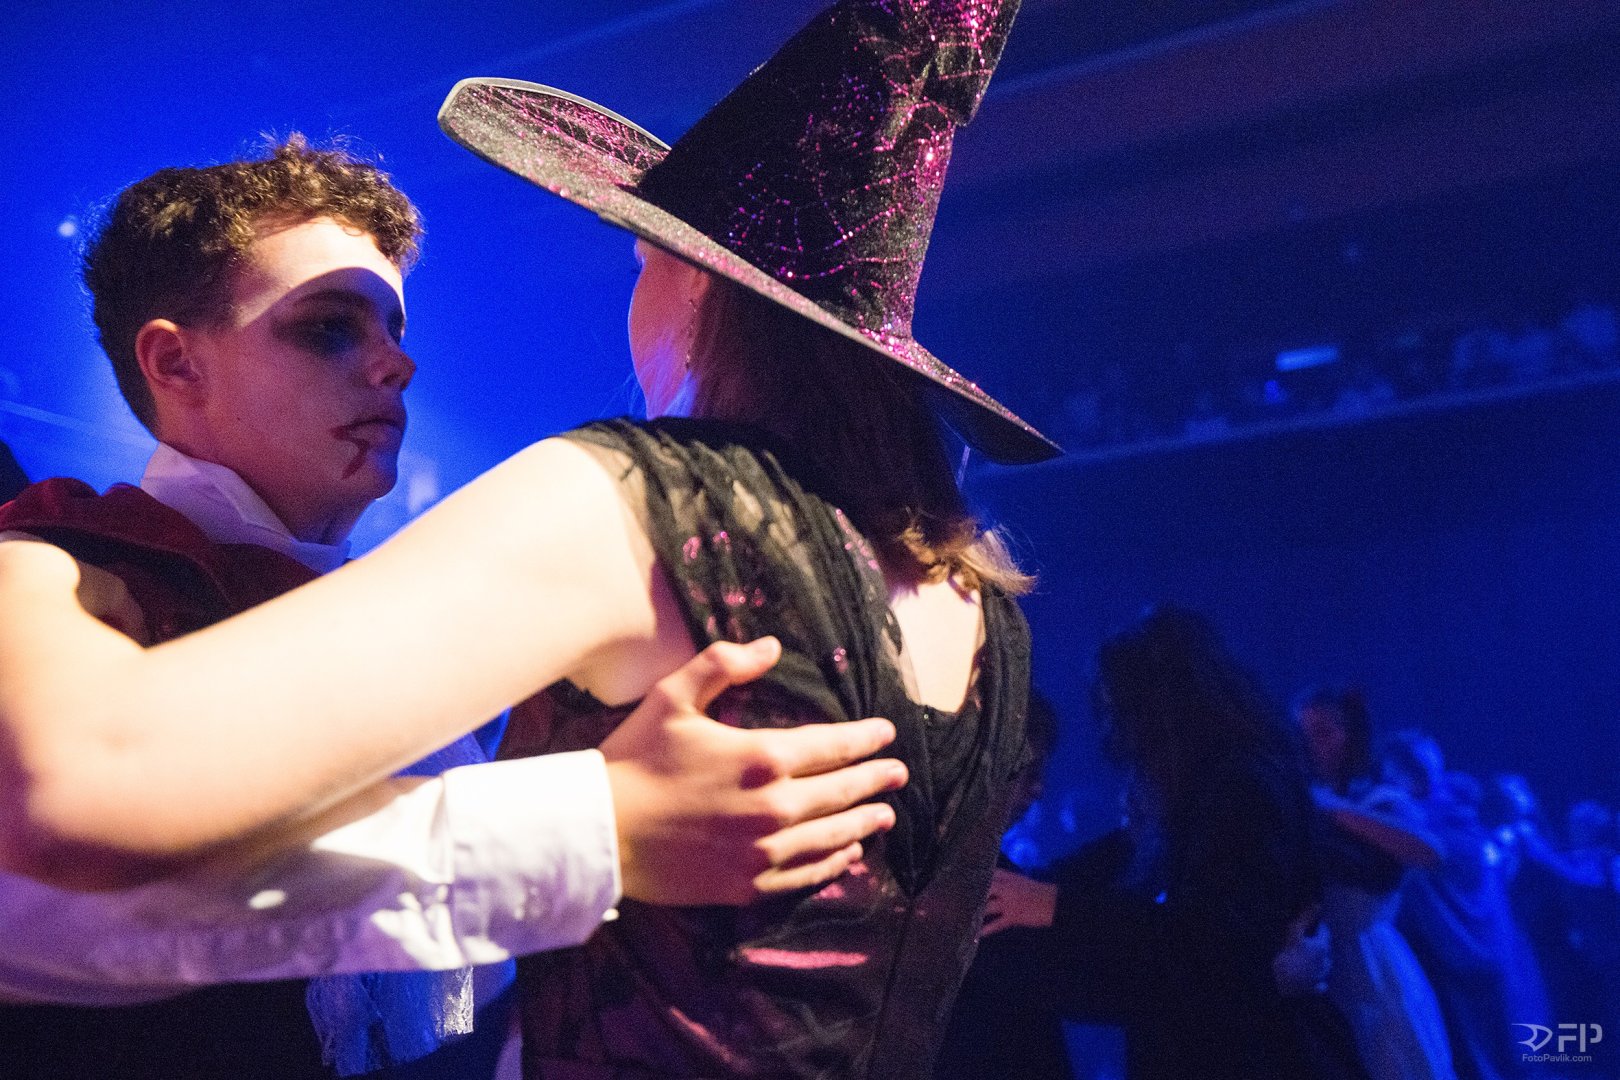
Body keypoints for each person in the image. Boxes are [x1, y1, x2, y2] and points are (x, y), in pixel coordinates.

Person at [0, 138, 909, 1078]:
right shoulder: (58, 571)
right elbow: (24, 902)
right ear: (175, 363)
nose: (396, 364)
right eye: (329, 327)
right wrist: (587, 830)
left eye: (393, 329)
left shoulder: (413, 618)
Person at [433, 1, 1054, 1074]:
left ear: (697, 285)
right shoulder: (985, 616)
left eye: (642, 263)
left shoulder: (633, 507)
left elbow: (135, 790)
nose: (634, 301)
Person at [971, 606, 1365, 1079]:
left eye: (1120, 712)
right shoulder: (1216, 787)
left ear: (1157, 709)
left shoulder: (1239, 790)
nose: (1114, 734)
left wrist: (1056, 905)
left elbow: (1206, 944)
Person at [1295, 687, 1455, 1080]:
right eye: (1304, 734)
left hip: (1373, 965)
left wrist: (1330, 808)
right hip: (1318, 964)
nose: (1312, 744)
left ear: (1352, 735)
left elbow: (1429, 850)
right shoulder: (1301, 801)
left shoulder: (1380, 799)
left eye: (1324, 732)